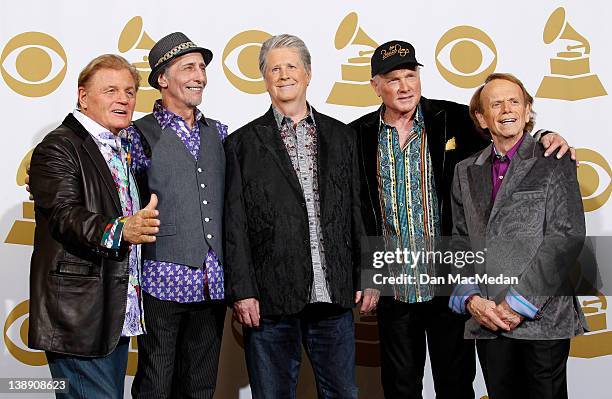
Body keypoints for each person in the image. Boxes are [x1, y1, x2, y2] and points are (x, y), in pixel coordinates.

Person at [349, 41, 575, 398]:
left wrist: (548, 136)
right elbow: (354, 209)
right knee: (399, 386)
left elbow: (510, 135)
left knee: (456, 385)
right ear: (376, 85)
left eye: (411, 75)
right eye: (394, 79)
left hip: (452, 284)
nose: (405, 86)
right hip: (395, 284)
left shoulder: (454, 119)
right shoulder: (356, 135)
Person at [223, 34, 377, 399]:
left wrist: (369, 275)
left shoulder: (342, 137)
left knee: (342, 392)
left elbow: (359, 209)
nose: (283, 74)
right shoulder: (241, 144)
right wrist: (243, 291)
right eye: (274, 68)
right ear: (264, 79)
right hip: (271, 299)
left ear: (308, 74)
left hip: (334, 294)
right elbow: (235, 224)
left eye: (291, 66)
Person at [28, 54, 159, 398]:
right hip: (79, 314)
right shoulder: (60, 146)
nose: (123, 99)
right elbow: (64, 214)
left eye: (130, 92)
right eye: (111, 90)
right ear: (83, 97)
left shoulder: (120, 147)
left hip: (112, 310)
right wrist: (120, 231)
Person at [449, 72, 587, 399]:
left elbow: (565, 238)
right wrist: (472, 299)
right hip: (488, 320)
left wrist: (517, 303)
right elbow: (459, 241)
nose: (506, 109)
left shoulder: (553, 159)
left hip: (543, 320)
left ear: (527, 112)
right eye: (495, 104)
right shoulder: (465, 170)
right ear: (482, 118)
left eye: (514, 101)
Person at [129, 32, 228, 399]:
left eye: (201, 68)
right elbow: (111, 184)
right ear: (162, 79)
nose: (199, 76)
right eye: (189, 67)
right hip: (160, 279)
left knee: (201, 383)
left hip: (212, 280)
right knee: (156, 381)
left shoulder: (218, 132)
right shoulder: (138, 134)